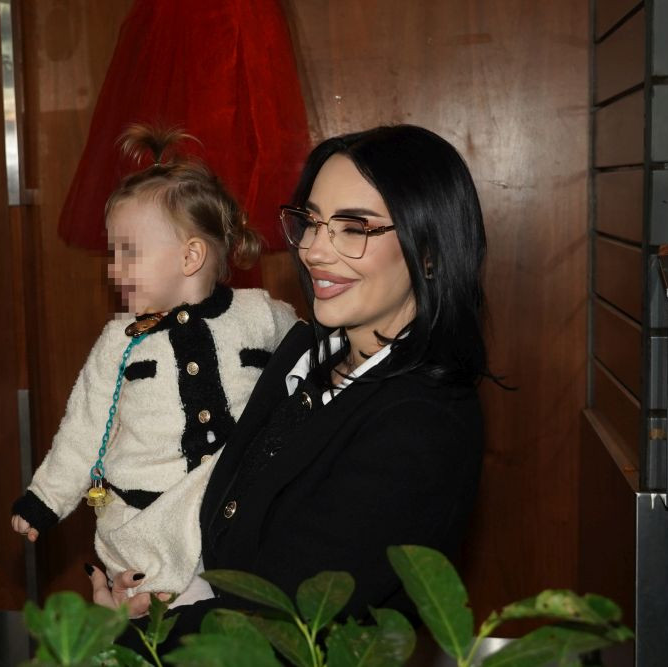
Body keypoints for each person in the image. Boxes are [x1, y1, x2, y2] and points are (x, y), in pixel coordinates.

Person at [88, 124, 490, 637]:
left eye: (353, 228)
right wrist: (150, 581)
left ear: (429, 250)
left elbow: (284, 616)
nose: (314, 250)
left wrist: (131, 632)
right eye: (312, 222)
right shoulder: (302, 351)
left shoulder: (423, 424)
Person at [11, 125, 298, 606]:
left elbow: (316, 361)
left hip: (236, 516)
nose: (113, 268)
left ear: (190, 256)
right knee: (162, 626)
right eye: (113, 253)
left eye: (129, 252)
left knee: (234, 618)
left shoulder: (261, 315)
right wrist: (45, 499)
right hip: (146, 525)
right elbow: (83, 428)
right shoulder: (120, 341)